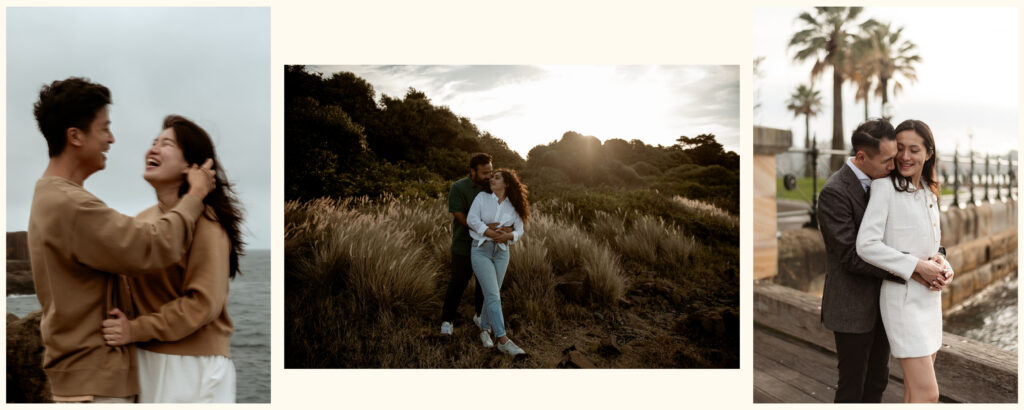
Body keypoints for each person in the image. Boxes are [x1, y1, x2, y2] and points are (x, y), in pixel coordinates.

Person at [27, 77, 216, 403]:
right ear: (74, 136)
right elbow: (152, 246)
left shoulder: (53, 196)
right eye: (104, 128)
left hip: (83, 380)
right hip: (94, 384)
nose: (111, 139)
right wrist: (195, 195)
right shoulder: (71, 204)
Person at [100, 115, 244, 403]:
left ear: (191, 167)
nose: (152, 149)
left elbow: (202, 304)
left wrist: (135, 329)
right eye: (153, 142)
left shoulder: (207, 223)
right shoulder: (141, 221)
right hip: (143, 360)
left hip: (192, 367)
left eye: (165, 144)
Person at [816, 118, 944, 403]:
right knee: (852, 386)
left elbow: (917, 238)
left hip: (887, 302)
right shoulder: (835, 192)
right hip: (852, 306)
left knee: (877, 382)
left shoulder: (906, 187)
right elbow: (851, 255)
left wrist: (937, 260)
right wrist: (913, 270)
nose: (896, 162)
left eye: (903, 153)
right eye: (890, 158)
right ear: (862, 157)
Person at [857, 119, 953, 403]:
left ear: (928, 153)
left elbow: (934, 247)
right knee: (928, 394)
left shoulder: (929, 191)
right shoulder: (884, 188)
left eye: (914, 149)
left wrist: (943, 264)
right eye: (900, 148)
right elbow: (866, 245)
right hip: (902, 301)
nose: (905, 156)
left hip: (929, 301)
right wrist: (916, 266)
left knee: (915, 393)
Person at [466, 168, 529, 356]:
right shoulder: (482, 198)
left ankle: (485, 329)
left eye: (497, 177)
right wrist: (489, 231)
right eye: (491, 177)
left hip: (502, 252)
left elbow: (520, 229)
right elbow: (471, 219)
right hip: (481, 250)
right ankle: (503, 339)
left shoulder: (514, 204)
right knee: (494, 295)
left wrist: (510, 234)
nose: (492, 179)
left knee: (491, 294)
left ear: (507, 183)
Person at [440, 153, 497, 336]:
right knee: (457, 283)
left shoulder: (493, 187)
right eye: (484, 173)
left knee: (484, 284)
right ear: (472, 172)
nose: (488, 176)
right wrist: (484, 228)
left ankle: (480, 315)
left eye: (490, 171)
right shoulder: (458, 187)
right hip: (464, 245)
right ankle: (447, 320)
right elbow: (460, 216)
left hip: (487, 246)